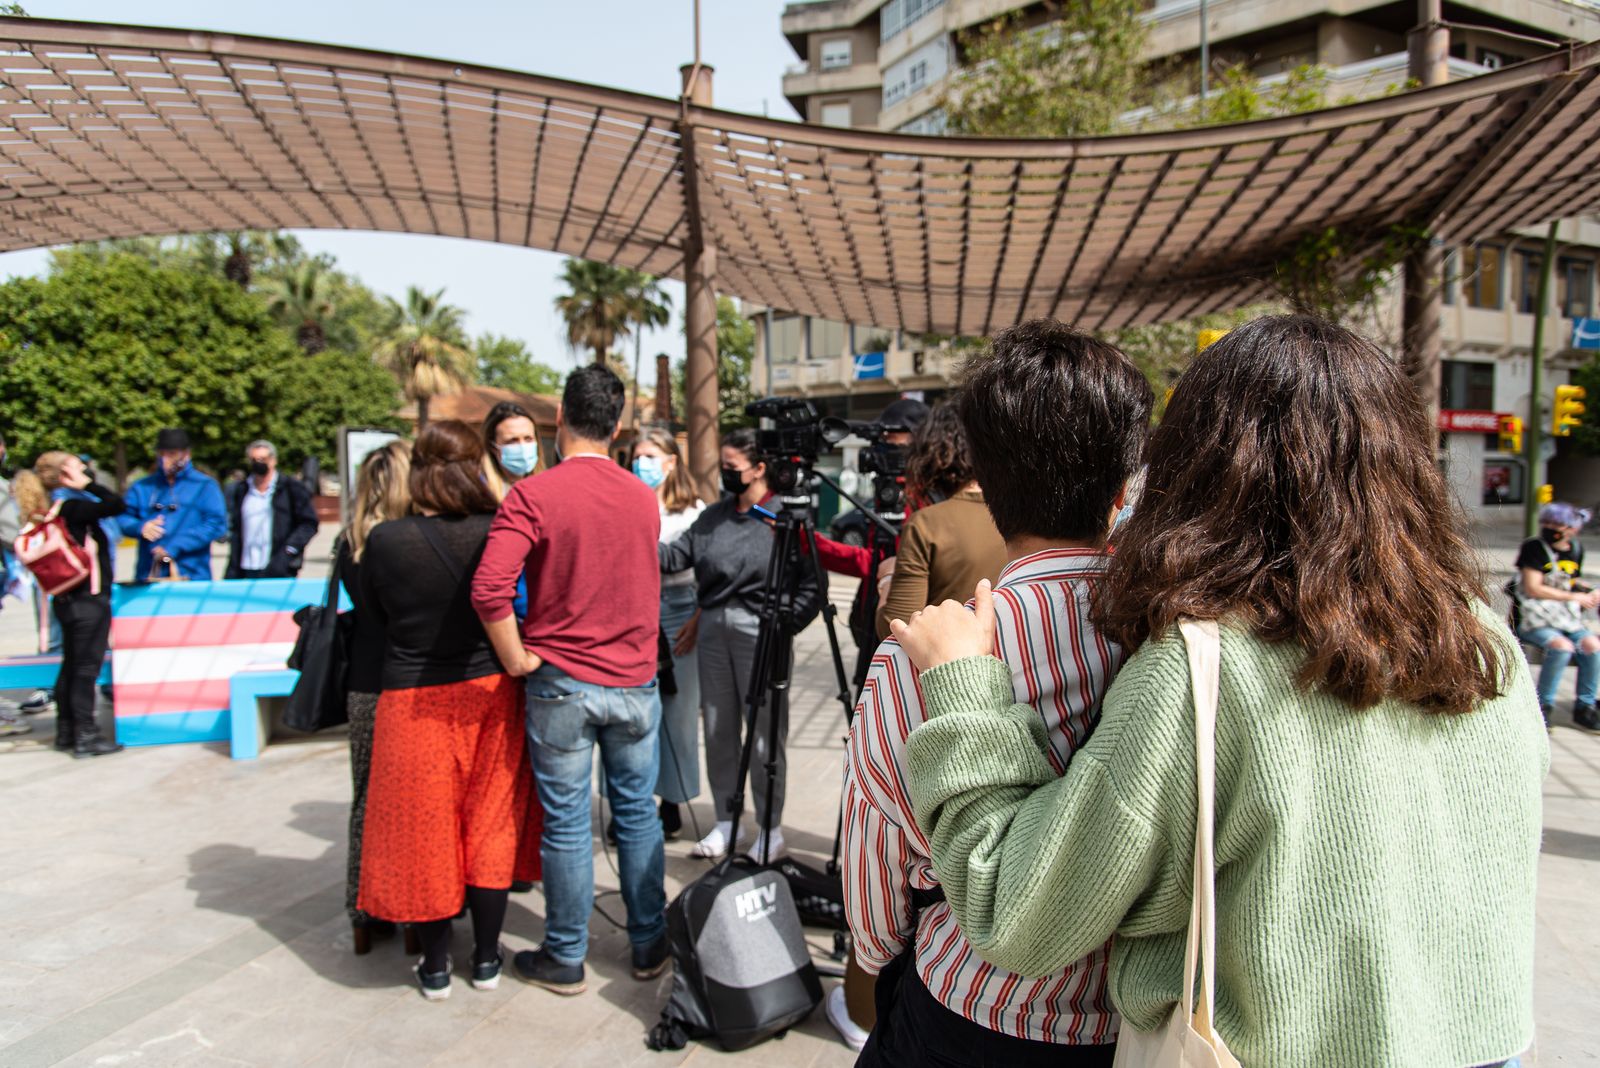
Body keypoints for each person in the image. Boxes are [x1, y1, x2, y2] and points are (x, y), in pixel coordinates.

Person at [893, 316, 1547, 1068]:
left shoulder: (1204, 666)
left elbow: (1019, 915)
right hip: (1488, 1047)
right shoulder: (1488, 644)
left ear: (1197, 466)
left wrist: (966, 688)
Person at [842, 322, 1149, 1065]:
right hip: (1135, 1020)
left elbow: (877, 892)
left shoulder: (909, 661)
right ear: (1119, 491)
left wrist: (877, 956)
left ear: (989, 480)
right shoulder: (1172, 636)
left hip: (969, 1010)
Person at [471, 365, 668, 997]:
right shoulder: (643, 496)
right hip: (636, 681)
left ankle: (566, 954)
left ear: (559, 420)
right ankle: (647, 945)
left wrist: (514, 658)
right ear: (615, 426)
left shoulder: (534, 495)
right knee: (637, 816)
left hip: (561, 681)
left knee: (566, 823)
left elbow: (488, 588)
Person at [357, 421, 536, 1001]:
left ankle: (435, 967)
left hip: (413, 699)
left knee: (423, 830)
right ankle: (485, 958)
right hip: (491, 692)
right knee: (490, 823)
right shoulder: (499, 531)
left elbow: (376, 622)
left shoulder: (385, 540)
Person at [658, 428, 824, 861]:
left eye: (732, 468)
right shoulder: (712, 516)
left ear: (760, 468)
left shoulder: (786, 516)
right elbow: (673, 557)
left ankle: (769, 828)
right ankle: (726, 822)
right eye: (724, 468)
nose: (726, 475)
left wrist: (786, 624)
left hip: (763, 631)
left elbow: (813, 581)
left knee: (767, 735)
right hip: (713, 629)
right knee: (718, 730)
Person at [336, 440, 412, 954]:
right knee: (407, 802)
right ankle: (408, 905)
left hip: (360, 682)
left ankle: (362, 909)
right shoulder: (404, 543)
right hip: (402, 682)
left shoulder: (350, 541)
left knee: (364, 797)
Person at [12, 453, 127, 757]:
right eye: (79, 467)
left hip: (66, 601)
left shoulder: (51, 510)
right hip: (90, 600)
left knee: (71, 666)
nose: (86, 471)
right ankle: (86, 737)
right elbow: (117, 504)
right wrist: (90, 485)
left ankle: (66, 732)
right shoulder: (73, 507)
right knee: (85, 670)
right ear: (65, 475)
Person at [810, 398, 928, 689]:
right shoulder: (887, 492)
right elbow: (875, 559)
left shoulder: (927, 501)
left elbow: (889, 564)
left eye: (893, 440)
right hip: (870, 621)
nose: (884, 449)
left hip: (910, 632)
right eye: (882, 440)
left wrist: (815, 545)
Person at [873, 399, 1005, 640]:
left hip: (947, 668)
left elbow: (895, 626)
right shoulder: (1018, 514)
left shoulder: (926, 524)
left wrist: (888, 578)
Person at [633, 425, 706, 839]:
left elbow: (702, 569)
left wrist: (697, 617)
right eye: (637, 456)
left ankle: (672, 802)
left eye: (650, 456)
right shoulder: (625, 501)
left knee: (678, 714)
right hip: (636, 610)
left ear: (671, 461)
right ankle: (635, 801)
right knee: (638, 713)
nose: (642, 463)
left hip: (680, 610)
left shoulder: (691, 510)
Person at [1513, 501, 1600, 730]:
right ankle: (1544, 706)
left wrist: (1589, 592)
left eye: (1557, 524)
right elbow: (1533, 587)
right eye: (1547, 522)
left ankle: (1585, 706)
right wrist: (1573, 598)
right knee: (1562, 647)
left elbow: (1571, 581)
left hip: (1566, 619)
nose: (1551, 527)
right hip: (1535, 619)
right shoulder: (1534, 547)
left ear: (1572, 528)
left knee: (1592, 645)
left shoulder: (1576, 549)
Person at [119, 428, 227, 581]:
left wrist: (175, 546)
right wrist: (140, 527)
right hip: (150, 573)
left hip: (192, 573)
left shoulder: (204, 485)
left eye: (172, 454)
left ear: (186, 454)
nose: (165, 460)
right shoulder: (142, 487)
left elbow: (216, 524)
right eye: (161, 454)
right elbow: (123, 518)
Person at [223, 440, 320, 579]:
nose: (258, 463)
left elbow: (309, 523)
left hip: (279, 566)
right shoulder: (240, 490)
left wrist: (290, 549)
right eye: (254, 460)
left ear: (273, 460)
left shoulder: (290, 488)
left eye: (263, 459)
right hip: (246, 566)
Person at [482, 401, 542, 501]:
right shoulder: (482, 492)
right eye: (512, 441)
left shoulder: (546, 488)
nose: (522, 447)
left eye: (528, 439)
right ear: (493, 447)